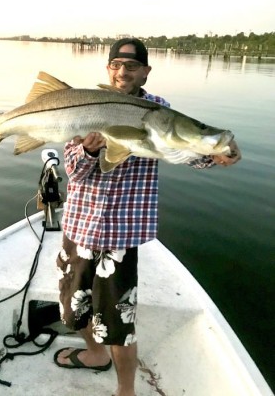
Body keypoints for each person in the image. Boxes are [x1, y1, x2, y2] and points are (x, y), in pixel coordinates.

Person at [54, 38, 241, 396]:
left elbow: (181, 148)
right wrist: (89, 150)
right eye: (116, 64)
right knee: (72, 303)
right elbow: (74, 172)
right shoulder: (86, 102)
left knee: (118, 321)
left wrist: (215, 153)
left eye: (132, 65)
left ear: (145, 71)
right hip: (78, 225)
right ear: (109, 68)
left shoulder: (158, 110)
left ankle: (127, 390)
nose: (123, 71)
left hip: (120, 235)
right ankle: (95, 355)